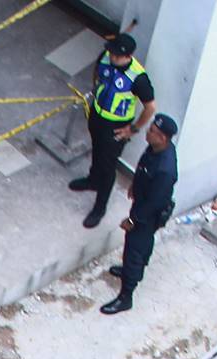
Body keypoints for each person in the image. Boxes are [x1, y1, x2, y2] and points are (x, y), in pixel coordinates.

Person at [67, 34, 155, 229]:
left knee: (108, 166)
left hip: (116, 126)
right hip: (97, 116)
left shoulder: (138, 77)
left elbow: (150, 107)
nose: (112, 56)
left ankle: (100, 207)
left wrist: (133, 129)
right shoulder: (106, 57)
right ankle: (92, 180)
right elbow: (97, 73)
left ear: (127, 55)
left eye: (116, 54)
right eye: (112, 52)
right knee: (97, 152)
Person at [103, 115, 178, 316]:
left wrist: (133, 220)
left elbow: (154, 203)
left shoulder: (165, 169)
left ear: (162, 138)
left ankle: (126, 296)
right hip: (143, 204)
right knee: (141, 246)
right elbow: (144, 167)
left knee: (134, 250)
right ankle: (136, 270)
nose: (147, 132)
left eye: (152, 131)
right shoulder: (156, 149)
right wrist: (135, 186)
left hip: (146, 215)